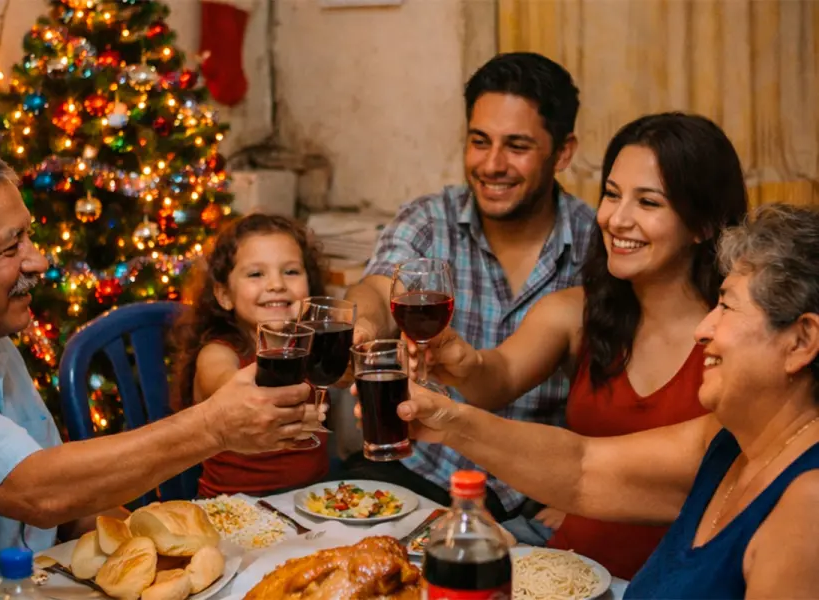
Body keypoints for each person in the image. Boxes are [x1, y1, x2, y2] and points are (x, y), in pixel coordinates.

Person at [379, 203, 819, 596]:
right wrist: (450, 420)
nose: (703, 329)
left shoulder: (808, 506)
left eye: (727, 306)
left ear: (802, 341)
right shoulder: (729, 440)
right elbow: (582, 468)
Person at [0, 147, 319, 552]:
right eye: (10, 248)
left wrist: (157, 548)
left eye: (29, 237)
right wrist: (213, 426)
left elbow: (73, 508)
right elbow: (37, 491)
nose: (38, 261)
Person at [413, 113, 749, 578]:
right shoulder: (576, 312)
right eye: (611, 194)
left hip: (666, 581)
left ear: (703, 225)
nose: (615, 218)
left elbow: (590, 470)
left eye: (647, 202)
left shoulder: (734, 340)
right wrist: (462, 362)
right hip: (565, 568)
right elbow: (500, 377)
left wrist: (448, 421)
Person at [344, 52, 596, 525]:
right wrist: (360, 325)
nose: (492, 164)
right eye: (480, 142)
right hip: (416, 470)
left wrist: (575, 502)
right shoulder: (427, 220)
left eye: (517, 146)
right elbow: (376, 293)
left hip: (528, 495)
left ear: (563, 152)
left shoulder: (597, 244)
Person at [170, 213, 330, 498]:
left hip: (311, 503)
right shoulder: (218, 353)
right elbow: (228, 384)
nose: (276, 284)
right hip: (235, 512)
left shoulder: (313, 346)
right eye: (256, 274)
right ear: (224, 295)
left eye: (291, 272)